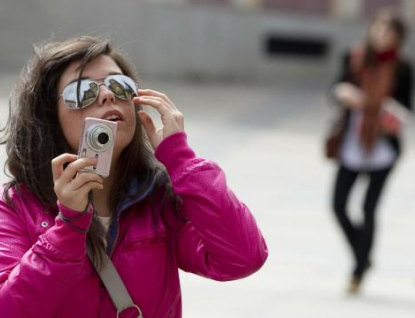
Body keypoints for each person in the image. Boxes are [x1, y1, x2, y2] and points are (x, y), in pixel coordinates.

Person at [0, 36, 268, 317]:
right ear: (49, 116)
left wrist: (181, 159)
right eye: (83, 92)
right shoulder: (16, 208)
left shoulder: (157, 199)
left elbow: (243, 258)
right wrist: (68, 226)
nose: (107, 96)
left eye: (120, 85)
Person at [329, 9, 412, 294]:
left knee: (368, 209)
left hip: (383, 149)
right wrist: (343, 93)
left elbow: (407, 110)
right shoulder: (354, 58)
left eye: (389, 32)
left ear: (398, 39)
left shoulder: (402, 69)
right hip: (352, 143)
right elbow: (334, 89)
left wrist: (392, 113)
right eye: (378, 28)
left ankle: (357, 272)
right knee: (338, 204)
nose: (381, 35)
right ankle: (362, 256)